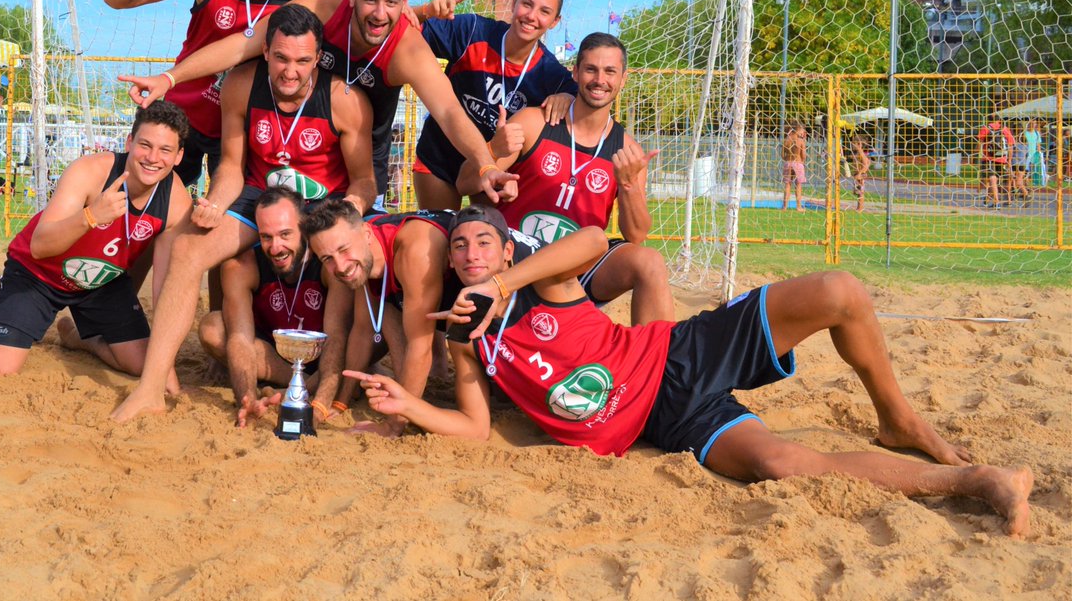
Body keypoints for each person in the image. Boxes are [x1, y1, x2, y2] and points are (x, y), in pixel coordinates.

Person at [342, 205, 1033, 538]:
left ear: (504, 247)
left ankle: (898, 416)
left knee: (841, 291)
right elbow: (472, 425)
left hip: (677, 355)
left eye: (482, 240)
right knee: (784, 465)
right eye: (458, 244)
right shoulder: (469, 337)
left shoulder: (537, 279)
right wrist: (408, 403)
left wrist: (507, 277)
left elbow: (592, 239)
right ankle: (977, 481)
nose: (468, 252)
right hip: (667, 424)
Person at [110, 4, 374, 422]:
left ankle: (328, 386)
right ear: (266, 51)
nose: (291, 71)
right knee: (186, 250)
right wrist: (216, 201)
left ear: (319, 57)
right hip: (260, 198)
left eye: (303, 61)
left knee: (344, 274)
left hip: (321, 204)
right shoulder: (240, 85)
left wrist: (350, 211)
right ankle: (153, 385)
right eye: (282, 58)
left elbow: (365, 182)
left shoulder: (345, 100)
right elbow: (232, 164)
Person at [118, 0, 518, 207]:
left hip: (358, 153)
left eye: (392, 3)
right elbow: (244, 45)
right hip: (292, 138)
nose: (380, 13)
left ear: (402, 3)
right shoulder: (323, 9)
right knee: (239, 249)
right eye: (370, 0)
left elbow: (448, 111)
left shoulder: (407, 50)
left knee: (341, 256)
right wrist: (170, 78)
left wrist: (485, 166)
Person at [106, 0, 329, 190]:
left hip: (241, 128)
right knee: (140, 201)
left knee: (227, 219)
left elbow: (362, 16)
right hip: (183, 111)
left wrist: (419, 11)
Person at [455, 33, 674, 326]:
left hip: (575, 270)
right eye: (591, 69)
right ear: (575, 72)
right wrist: (494, 150)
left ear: (623, 79)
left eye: (610, 71)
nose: (600, 80)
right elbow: (464, 183)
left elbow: (636, 236)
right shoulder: (534, 122)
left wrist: (630, 186)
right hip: (515, 260)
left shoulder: (628, 152)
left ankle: (657, 364)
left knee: (649, 262)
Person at [0, 101, 193, 380]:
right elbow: (40, 246)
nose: (153, 157)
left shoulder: (176, 200)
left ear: (178, 156)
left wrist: (164, 369)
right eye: (145, 145)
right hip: (38, 274)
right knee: (0, 371)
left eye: (165, 150)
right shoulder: (90, 171)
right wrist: (91, 216)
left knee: (143, 366)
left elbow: (165, 287)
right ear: (129, 142)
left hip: (100, 281)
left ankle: (81, 339)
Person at [411, 0, 577, 210]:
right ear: (513, 3)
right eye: (527, 4)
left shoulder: (553, 76)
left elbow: (586, 108)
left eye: (544, 11)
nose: (531, 16)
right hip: (440, 159)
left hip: (494, 168)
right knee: (437, 238)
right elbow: (404, 27)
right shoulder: (472, 31)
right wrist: (426, 11)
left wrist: (569, 98)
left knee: (484, 241)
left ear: (554, 22)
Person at [195, 186, 353, 427]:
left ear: (304, 227)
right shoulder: (242, 265)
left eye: (285, 234)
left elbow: (338, 336)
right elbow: (240, 338)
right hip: (273, 354)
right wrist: (246, 399)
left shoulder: (328, 262)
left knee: (359, 347)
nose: (276, 247)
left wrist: (319, 406)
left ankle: (308, 385)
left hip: (325, 355)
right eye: (266, 237)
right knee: (212, 327)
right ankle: (299, 383)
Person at [302, 200, 457, 435]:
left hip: (513, 297)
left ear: (366, 234)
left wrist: (393, 425)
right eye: (327, 259)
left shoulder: (413, 252)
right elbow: (363, 331)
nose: (341, 266)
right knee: (388, 316)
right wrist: (341, 402)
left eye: (344, 250)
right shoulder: (365, 255)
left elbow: (420, 348)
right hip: (454, 289)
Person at [977, 118, 1014, 209]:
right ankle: (991, 199)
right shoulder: (1005, 129)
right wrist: (1009, 160)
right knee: (997, 180)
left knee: (992, 180)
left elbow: (979, 144)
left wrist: (976, 155)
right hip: (1002, 158)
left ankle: (996, 200)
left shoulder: (986, 128)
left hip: (988, 158)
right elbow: (1010, 146)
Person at [781, 121, 807, 211]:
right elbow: (803, 155)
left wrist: (788, 159)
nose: (803, 132)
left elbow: (782, 155)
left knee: (787, 185)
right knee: (798, 185)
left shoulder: (787, 140)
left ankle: (784, 207)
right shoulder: (800, 141)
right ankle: (799, 206)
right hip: (798, 163)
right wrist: (801, 162)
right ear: (798, 129)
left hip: (788, 163)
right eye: (802, 130)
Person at [1009, 123, 1031, 204]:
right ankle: (1015, 194)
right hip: (1022, 163)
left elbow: (1011, 152)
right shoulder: (1025, 140)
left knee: (1017, 181)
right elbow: (1027, 153)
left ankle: (1026, 194)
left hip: (1015, 163)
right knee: (1014, 180)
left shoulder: (1013, 140)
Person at [849, 134, 871, 213]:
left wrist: (860, 173)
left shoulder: (861, 153)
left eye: (854, 143)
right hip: (857, 174)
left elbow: (866, 164)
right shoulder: (858, 154)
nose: (852, 145)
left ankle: (860, 208)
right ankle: (858, 207)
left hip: (860, 175)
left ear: (859, 144)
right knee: (858, 192)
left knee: (860, 193)